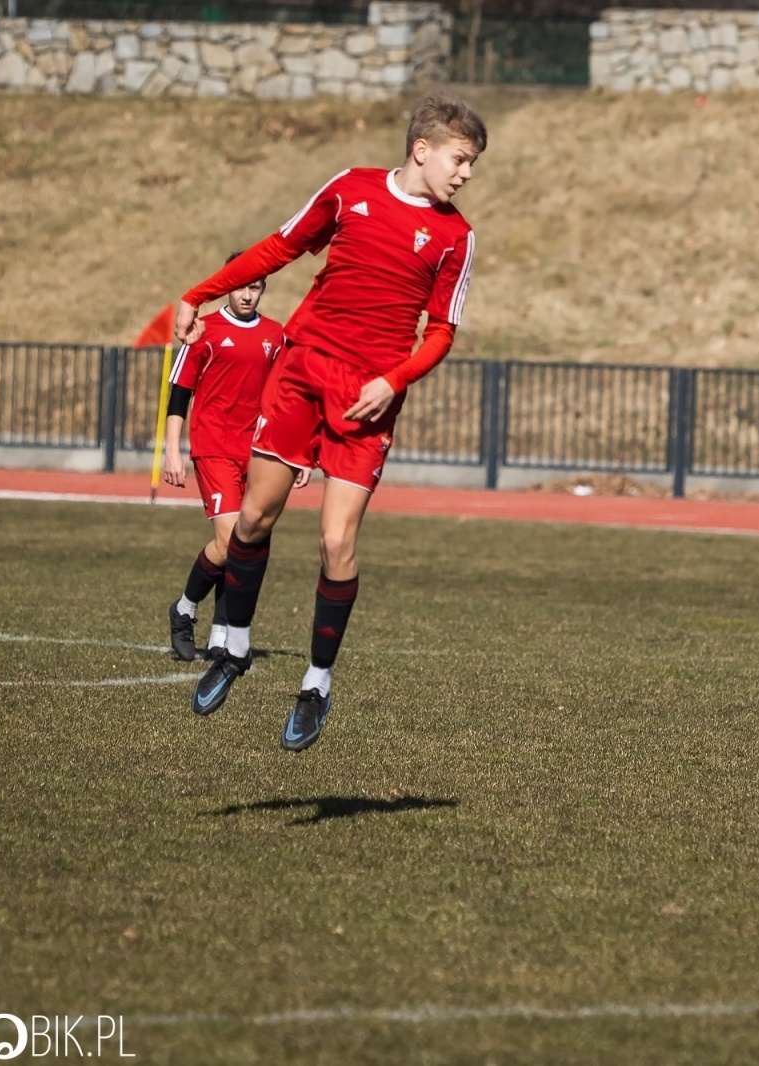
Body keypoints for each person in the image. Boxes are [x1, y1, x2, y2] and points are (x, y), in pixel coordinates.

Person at [172, 91, 484, 752]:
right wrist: (199, 293)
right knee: (254, 520)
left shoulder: (457, 236)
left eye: (473, 165)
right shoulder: (349, 189)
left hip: (367, 397)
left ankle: (316, 684)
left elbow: (443, 332)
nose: (465, 174)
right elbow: (279, 248)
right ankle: (235, 646)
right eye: (459, 159)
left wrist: (393, 379)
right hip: (303, 369)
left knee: (336, 543)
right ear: (421, 149)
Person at [162, 259, 294, 662]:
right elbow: (180, 392)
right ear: (227, 287)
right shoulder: (203, 330)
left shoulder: (276, 335)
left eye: (255, 287)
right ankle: (184, 609)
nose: (247, 294)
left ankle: (221, 634)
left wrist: (297, 454)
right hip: (213, 446)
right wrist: (172, 449)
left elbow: (284, 399)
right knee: (229, 539)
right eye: (240, 286)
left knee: (246, 539)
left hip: (255, 453)